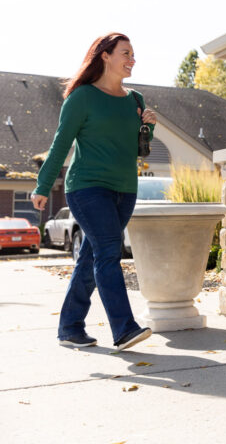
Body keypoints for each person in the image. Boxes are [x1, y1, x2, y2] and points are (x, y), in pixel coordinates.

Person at [31, 32, 157, 351]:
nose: (132, 59)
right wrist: (44, 185)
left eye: (133, 54)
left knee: (90, 258)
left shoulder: (135, 100)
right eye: (125, 53)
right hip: (87, 188)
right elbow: (61, 144)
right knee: (109, 251)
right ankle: (124, 328)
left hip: (125, 189)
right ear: (105, 56)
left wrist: (148, 128)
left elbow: (139, 151)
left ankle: (70, 327)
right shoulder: (83, 97)